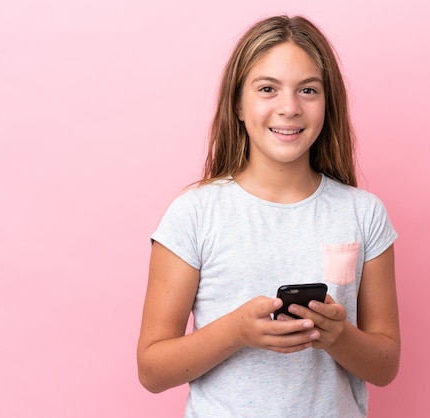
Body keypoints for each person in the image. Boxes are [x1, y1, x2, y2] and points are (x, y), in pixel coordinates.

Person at [137, 15, 400, 418]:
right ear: (239, 105)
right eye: (267, 89)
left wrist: (337, 335)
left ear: (328, 105)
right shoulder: (195, 213)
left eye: (308, 90)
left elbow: (385, 366)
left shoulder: (363, 214)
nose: (289, 107)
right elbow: (152, 370)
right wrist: (235, 331)